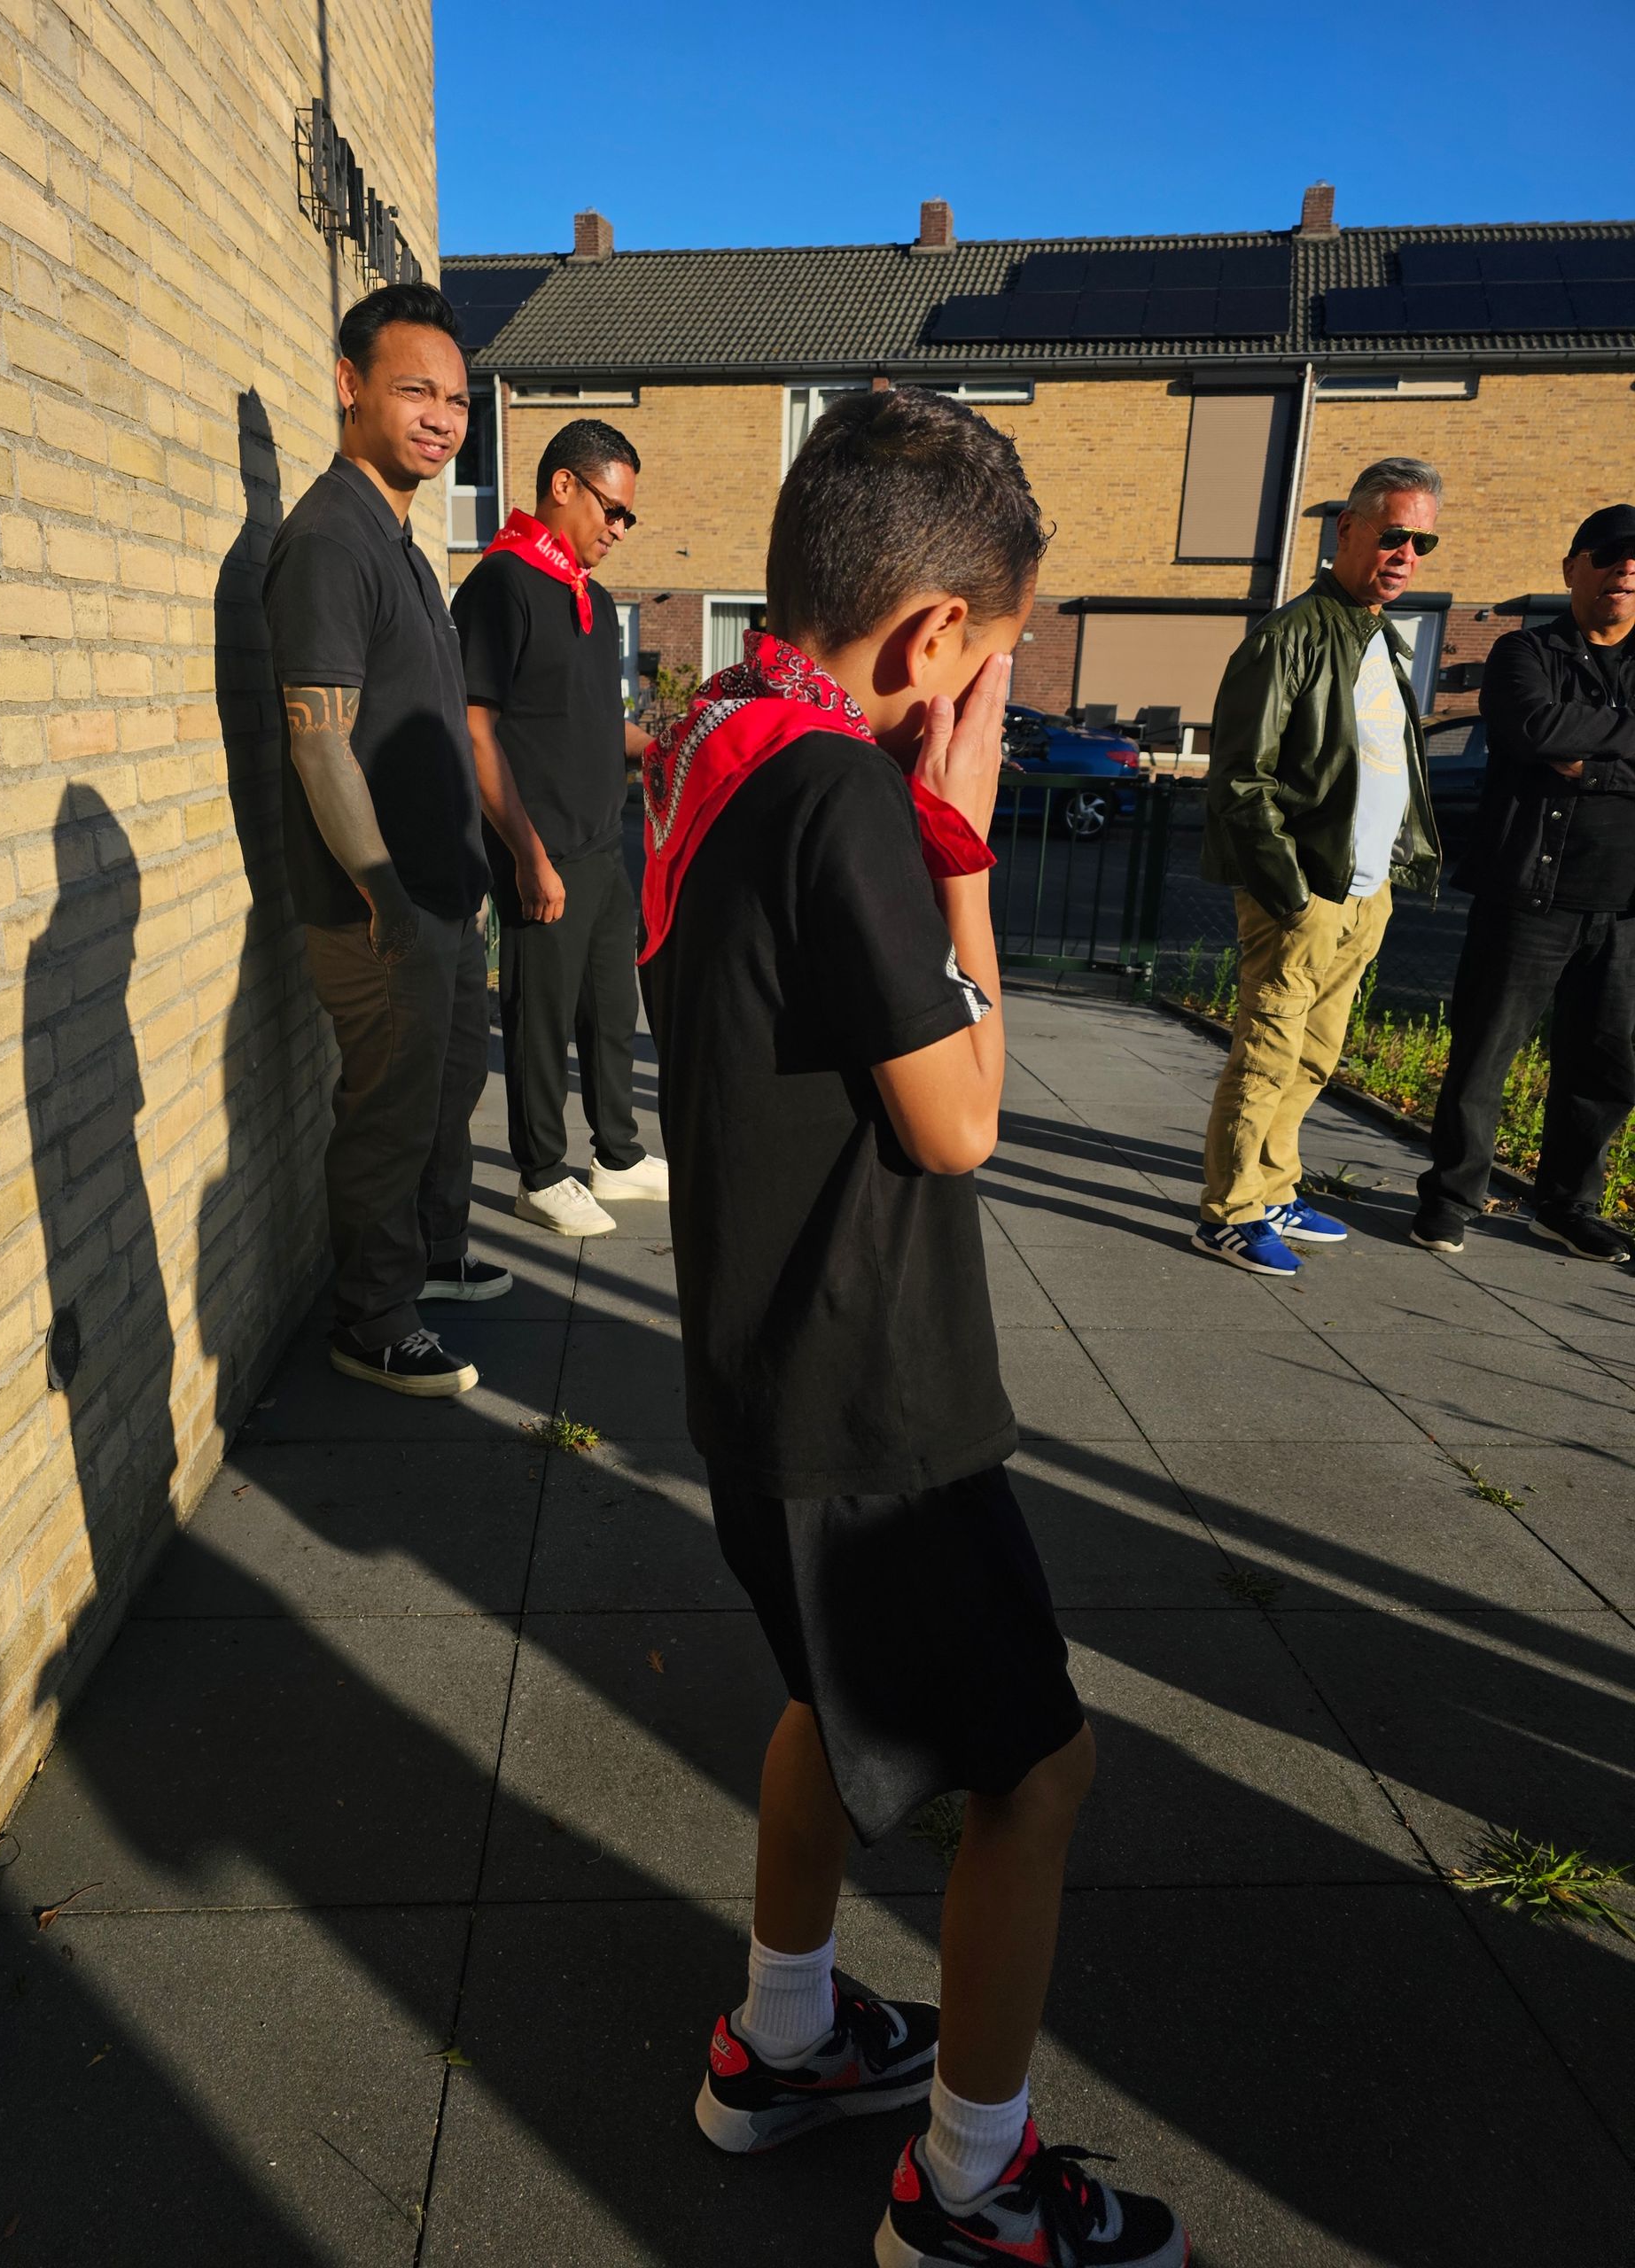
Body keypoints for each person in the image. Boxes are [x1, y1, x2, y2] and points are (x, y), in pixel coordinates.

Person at [642, 389, 1185, 2268]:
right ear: (936, 633)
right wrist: (960, 839)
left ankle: (785, 2038)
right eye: (1005, 649)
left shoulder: (713, 740)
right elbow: (960, 1118)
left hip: (756, 1379)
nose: (999, 688)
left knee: (825, 1697)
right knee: (1038, 1770)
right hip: (877, 1403)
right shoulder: (845, 798)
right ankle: (972, 2180)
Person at [262, 282, 510, 1399]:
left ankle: (426, 1266)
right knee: (386, 1118)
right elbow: (321, 744)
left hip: (442, 897)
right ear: (349, 384)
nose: (442, 418)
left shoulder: (402, 542)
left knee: (439, 1101)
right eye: (417, 389)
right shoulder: (327, 539)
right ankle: (372, 1319)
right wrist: (389, 900)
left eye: (456, 400)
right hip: (382, 911)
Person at [1195, 456, 1444, 1276]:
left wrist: (1382, 879)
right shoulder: (1289, 637)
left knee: (1313, 1055)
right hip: (1305, 893)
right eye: (1394, 534)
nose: (1407, 554)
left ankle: (1272, 1187)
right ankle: (1227, 1212)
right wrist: (1292, 893)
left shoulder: (1380, 639)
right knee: (1267, 1051)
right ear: (1349, 530)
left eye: (1423, 542)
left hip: (1365, 893)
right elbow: (1239, 781)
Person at [451, 419, 667, 1238]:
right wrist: (529, 857)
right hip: (539, 852)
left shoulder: (596, 599)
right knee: (539, 1022)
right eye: (612, 509)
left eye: (628, 518)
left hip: (601, 843)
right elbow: (475, 730)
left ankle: (616, 1156)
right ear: (564, 486)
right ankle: (540, 1174)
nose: (618, 528)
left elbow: (594, 718)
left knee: (612, 1012)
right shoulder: (500, 586)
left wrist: (665, 748)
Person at [1412, 505, 1635, 1261]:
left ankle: (1567, 1204)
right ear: (1573, 568)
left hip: (1627, 906)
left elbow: (1566, 745)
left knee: (1604, 1066)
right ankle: (1450, 1198)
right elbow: (1536, 732)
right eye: (1609, 555)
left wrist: (1592, 763)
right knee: (1484, 1053)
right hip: (1528, 895)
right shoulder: (1523, 653)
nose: (1625, 570)